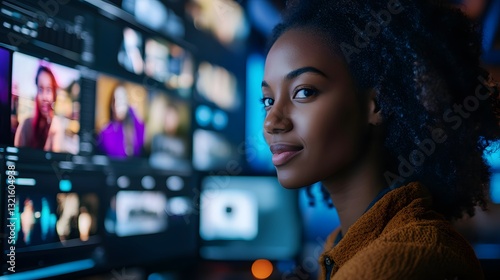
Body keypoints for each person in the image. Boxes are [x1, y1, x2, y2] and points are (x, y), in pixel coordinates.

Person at [261, 0, 500, 279]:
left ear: (376, 105)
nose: (272, 121)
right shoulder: (344, 242)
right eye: (268, 99)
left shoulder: (399, 261)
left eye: (304, 92)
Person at [14, 65, 57, 150]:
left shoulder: (56, 127)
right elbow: (13, 162)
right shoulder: (25, 126)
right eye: (41, 89)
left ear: (54, 94)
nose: (44, 97)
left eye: (48, 90)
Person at [98, 84, 145, 158]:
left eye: (124, 99)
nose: (122, 103)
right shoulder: (106, 131)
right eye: (119, 99)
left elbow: (141, 147)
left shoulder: (135, 125)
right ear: (112, 105)